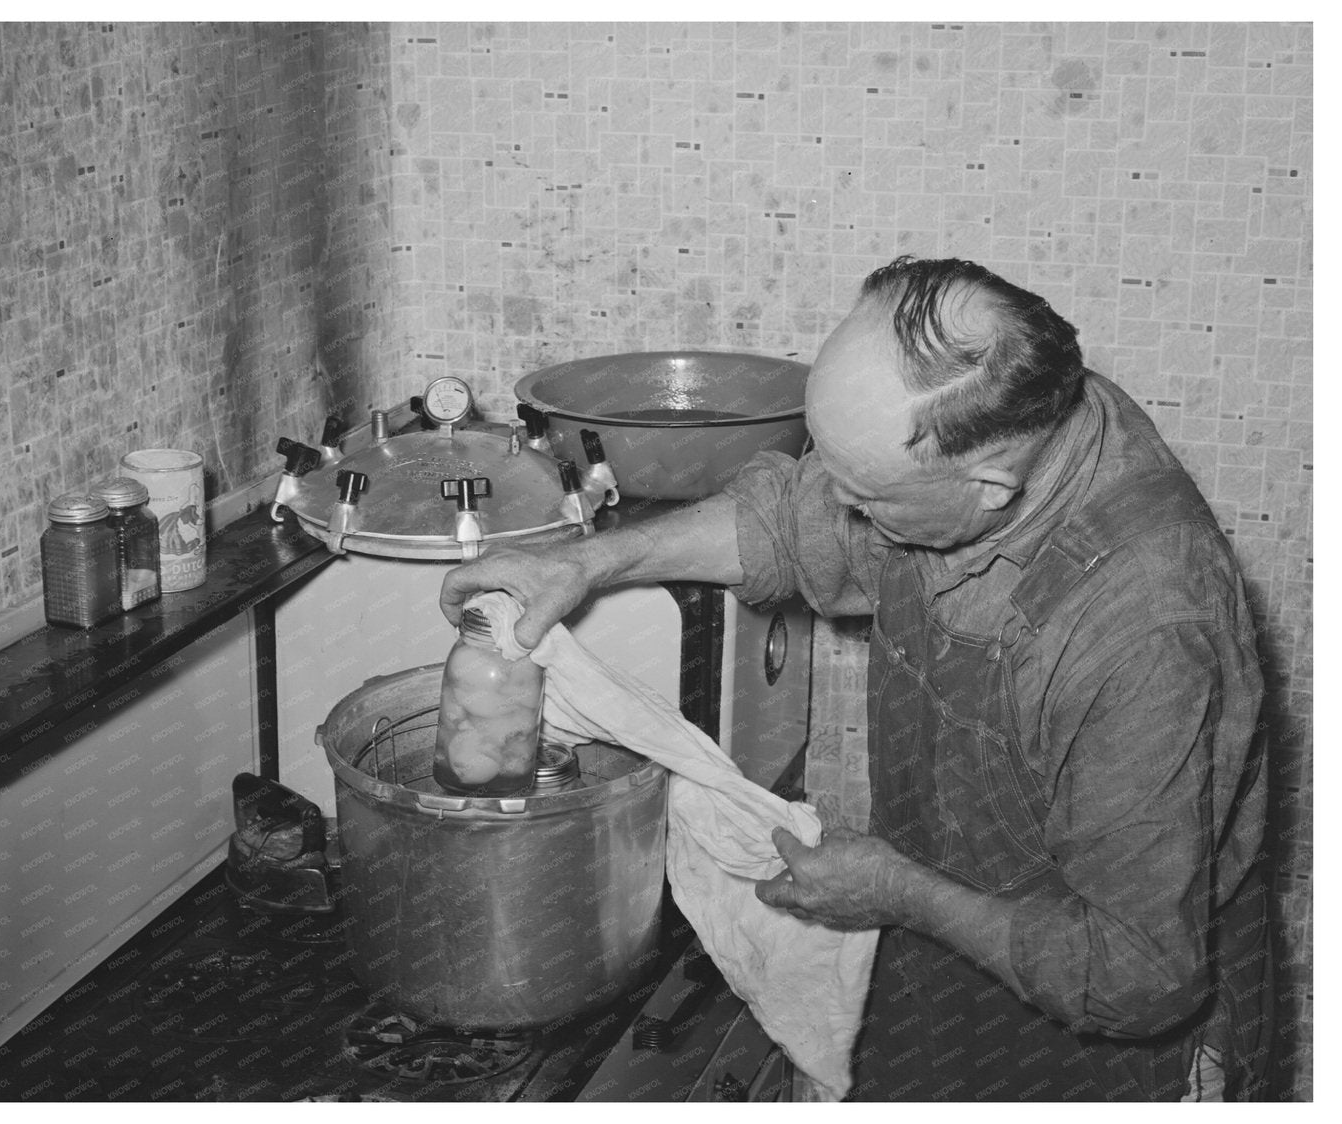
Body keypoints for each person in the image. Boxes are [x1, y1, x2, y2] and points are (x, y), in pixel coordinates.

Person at [439, 255, 1271, 1102]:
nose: (838, 512)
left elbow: (1135, 978)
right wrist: (587, 562)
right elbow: (790, 525)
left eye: (866, 499)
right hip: (944, 954)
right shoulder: (1009, 417)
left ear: (989, 486)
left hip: (1106, 1048)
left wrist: (893, 888)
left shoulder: (1141, 635)